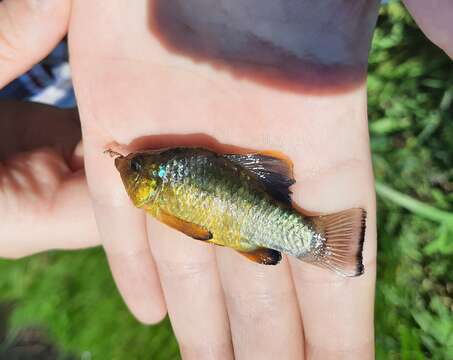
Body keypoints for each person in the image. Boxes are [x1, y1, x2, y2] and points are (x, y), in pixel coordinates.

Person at [0, 0, 451, 358]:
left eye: (134, 168)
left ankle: (316, 241)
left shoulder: (156, 193)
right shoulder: (154, 187)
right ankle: (316, 242)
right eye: (132, 167)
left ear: (151, 183)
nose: (125, 166)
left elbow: (194, 226)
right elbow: (195, 227)